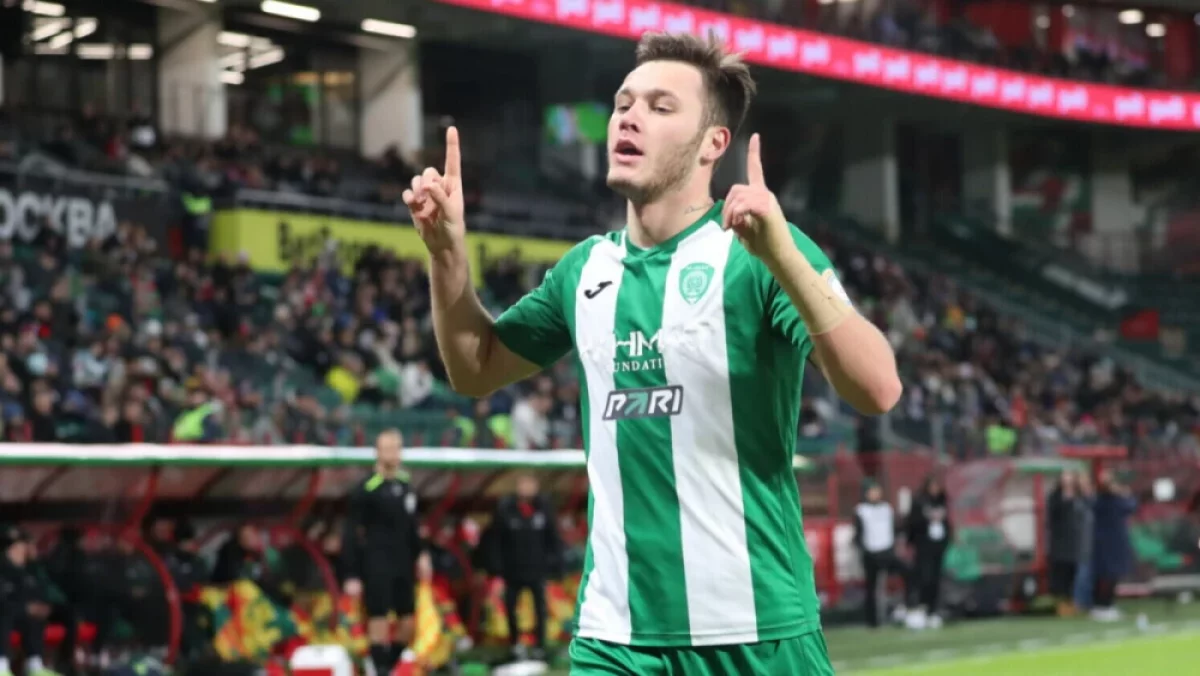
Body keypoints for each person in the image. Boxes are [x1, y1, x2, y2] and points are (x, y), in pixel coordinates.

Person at [404, 31, 901, 674]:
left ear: (713, 144)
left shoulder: (757, 251)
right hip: (615, 636)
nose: (629, 117)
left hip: (756, 630)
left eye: (661, 107)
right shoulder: (584, 270)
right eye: (623, 103)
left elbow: (878, 388)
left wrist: (783, 258)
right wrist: (447, 256)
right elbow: (476, 369)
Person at [342, 429, 432, 676]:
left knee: (408, 621)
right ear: (378, 452)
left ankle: (390, 664)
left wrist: (422, 555)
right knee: (379, 617)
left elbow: (413, 527)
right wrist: (351, 573)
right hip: (376, 562)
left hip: (403, 563)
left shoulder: (406, 486)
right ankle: (379, 668)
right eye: (388, 448)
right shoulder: (366, 489)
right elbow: (351, 533)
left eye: (397, 448)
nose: (394, 453)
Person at [490, 474, 563, 660]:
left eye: (530, 484)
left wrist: (555, 566)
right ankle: (515, 645)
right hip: (512, 571)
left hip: (537, 571)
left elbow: (553, 539)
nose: (526, 488)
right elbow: (497, 541)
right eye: (523, 484)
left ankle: (540, 646)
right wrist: (497, 569)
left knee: (540, 610)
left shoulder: (543, 510)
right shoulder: (506, 510)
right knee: (511, 608)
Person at [0, 526, 61, 676]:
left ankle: (35, 667)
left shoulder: (30, 571)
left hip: (20, 616)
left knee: (35, 619)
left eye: (23, 545)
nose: (23, 549)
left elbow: (38, 594)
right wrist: (26, 608)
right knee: (4, 616)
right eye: (18, 546)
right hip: (6, 613)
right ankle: (1, 667)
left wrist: (40, 607)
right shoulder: (3, 569)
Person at [853, 483, 906, 628]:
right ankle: (872, 621)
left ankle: (906, 608)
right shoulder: (861, 510)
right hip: (870, 553)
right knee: (871, 587)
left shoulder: (886, 509)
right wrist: (864, 549)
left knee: (907, 572)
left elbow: (894, 529)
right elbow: (858, 534)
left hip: (887, 551)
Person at [906, 475, 952, 629]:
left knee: (936, 580)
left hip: (938, 546)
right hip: (924, 546)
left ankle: (933, 611)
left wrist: (947, 538)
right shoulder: (919, 502)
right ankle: (920, 609)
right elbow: (912, 524)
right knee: (925, 578)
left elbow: (946, 523)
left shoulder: (942, 502)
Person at [1091, 468, 1136, 622]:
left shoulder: (1112, 500)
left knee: (1113, 576)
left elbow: (1131, 506)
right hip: (1106, 543)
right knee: (1105, 576)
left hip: (1115, 542)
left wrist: (1123, 493)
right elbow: (1130, 505)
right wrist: (1123, 494)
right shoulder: (1101, 501)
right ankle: (1101, 606)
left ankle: (1108, 605)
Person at [1047, 470, 1082, 617]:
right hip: (1060, 543)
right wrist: (1066, 499)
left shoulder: (1079, 496)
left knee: (1073, 573)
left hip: (1075, 543)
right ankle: (1061, 604)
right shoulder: (1055, 497)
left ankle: (1071, 602)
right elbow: (1052, 516)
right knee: (1061, 574)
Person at [1072, 471, 1096, 613]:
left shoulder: (1095, 500)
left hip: (1095, 543)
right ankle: (1080, 602)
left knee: (1090, 574)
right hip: (1084, 544)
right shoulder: (1079, 503)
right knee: (1083, 573)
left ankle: (1089, 602)